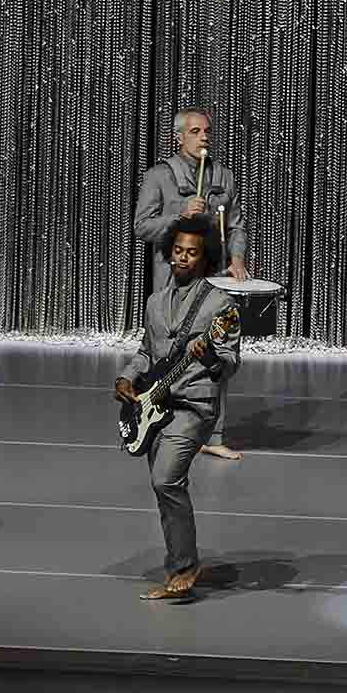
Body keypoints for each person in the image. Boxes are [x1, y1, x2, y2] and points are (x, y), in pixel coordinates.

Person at [115, 216, 244, 600]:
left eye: (191, 253)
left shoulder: (220, 304)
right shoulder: (156, 302)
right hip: (155, 404)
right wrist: (126, 378)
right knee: (164, 487)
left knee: (165, 480)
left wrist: (208, 358)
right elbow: (145, 352)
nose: (182, 258)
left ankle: (186, 568)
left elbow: (230, 362)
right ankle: (179, 562)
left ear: (205, 259)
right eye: (177, 251)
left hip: (194, 407)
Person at [135, 106, 248, 290]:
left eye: (207, 131)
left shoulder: (225, 176)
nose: (204, 138)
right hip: (172, 281)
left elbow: (236, 227)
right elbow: (142, 227)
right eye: (195, 132)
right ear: (179, 137)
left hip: (215, 277)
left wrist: (237, 259)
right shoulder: (158, 175)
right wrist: (181, 215)